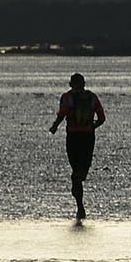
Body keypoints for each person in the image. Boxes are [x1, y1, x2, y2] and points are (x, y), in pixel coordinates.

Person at [50, 72, 106, 222]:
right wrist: (92, 126)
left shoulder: (67, 97)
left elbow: (62, 115)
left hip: (73, 138)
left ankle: (80, 206)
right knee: (82, 171)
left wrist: (54, 126)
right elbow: (102, 118)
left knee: (76, 172)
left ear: (70, 84)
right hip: (88, 138)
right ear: (84, 84)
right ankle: (80, 205)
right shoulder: (92, 97)